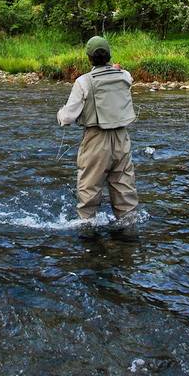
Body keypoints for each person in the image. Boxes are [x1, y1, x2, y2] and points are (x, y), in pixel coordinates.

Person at [57, 36, 139, 233]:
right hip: (122, 139)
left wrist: (60, 114)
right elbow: (123, 76)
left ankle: (88, 233)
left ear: (89, 58)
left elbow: (67, 118)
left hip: (96, 140)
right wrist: (115, 68)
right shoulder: (124, 75)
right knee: (125, 189)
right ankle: (128, 234)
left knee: (89, 190)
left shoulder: (83, 82)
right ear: (109, 56)